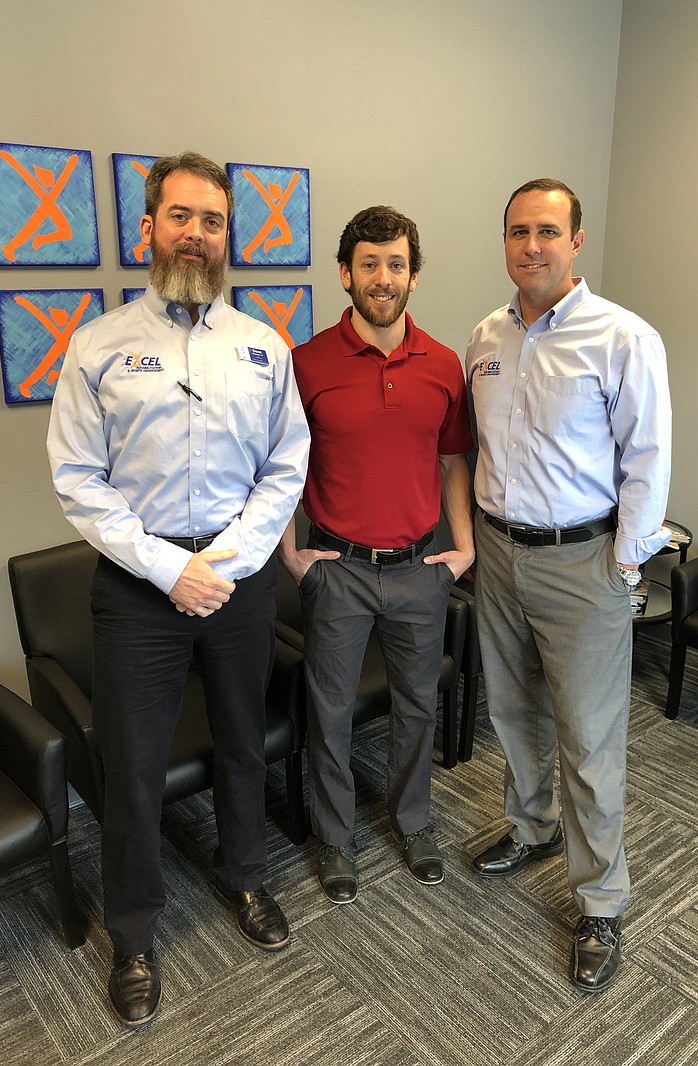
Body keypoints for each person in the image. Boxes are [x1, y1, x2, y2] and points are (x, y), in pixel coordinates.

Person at [47, 151, 310, 1029]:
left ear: (228, 234)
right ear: (149, 226)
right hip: (136, 589)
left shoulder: (263, 347)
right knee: (133, 768)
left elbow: (286, 469)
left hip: (237, 582)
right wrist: (170, 568)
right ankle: (133, 931)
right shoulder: (99, 345)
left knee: (244, 741)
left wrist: (226, 564)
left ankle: (245, 878)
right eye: (181, 216)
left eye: (213, 220)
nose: (197, 234)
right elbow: (80, 480)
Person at [466, 178, 671, 993]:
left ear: (576, 240)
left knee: (589, 739)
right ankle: (530, 827)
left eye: (548, 231)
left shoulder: (622, 337)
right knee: (512, 711)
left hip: (582, 561)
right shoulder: (485, 334)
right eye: (519, 232)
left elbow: (648, 460)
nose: (532, 246)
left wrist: (625, 565)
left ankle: (601, 901)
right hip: (497, 552)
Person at [279, 206, 474, 905]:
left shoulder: (445, 364)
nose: (382, 278)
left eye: (396, 265)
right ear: (345, 274)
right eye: (369, 264)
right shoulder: (306, 363)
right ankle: (334, 838)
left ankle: (413, 822)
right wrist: (290, 552)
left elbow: (454, 458)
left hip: (419, 567)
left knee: (417, 705)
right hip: (339, 570)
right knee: (329, 712)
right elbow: (281, 466)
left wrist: (465, 546)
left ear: (413, 276)